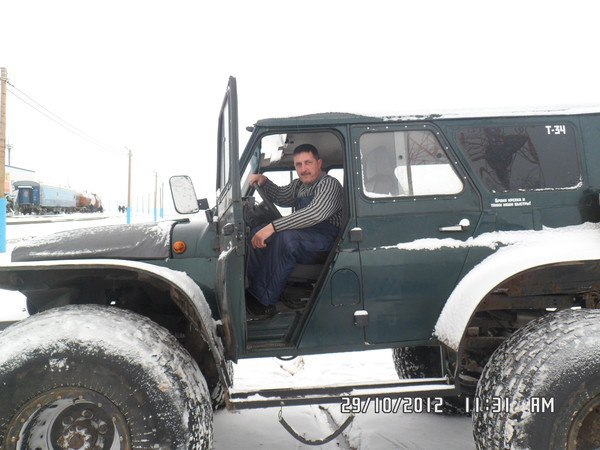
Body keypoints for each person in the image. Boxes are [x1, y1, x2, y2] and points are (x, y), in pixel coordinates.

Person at [246, 143, 343, 317]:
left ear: (319, 163)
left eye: (308, 163)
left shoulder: (329, 184)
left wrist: (272, 227)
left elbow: (314, 214)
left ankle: (263, 302)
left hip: (328, 241)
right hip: (306, 235)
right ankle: (252, 291)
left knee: (287, 239)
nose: (303, 169)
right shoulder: (299, 185)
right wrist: (264, 181)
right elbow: (280, 196)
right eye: (299, 164)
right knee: (257, 234)